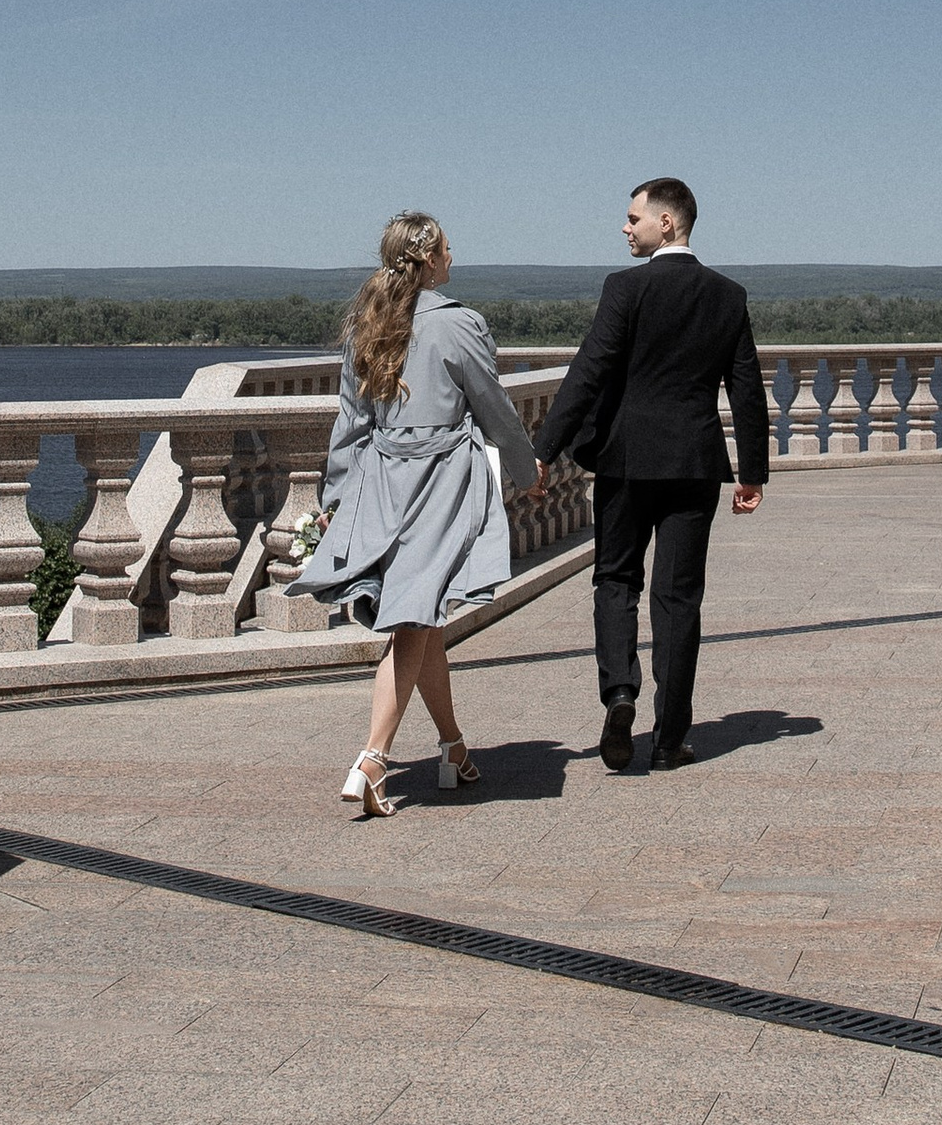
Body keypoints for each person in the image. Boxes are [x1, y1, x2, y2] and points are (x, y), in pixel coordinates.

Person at [290, 210, 544, 818]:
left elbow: (349, 425)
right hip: (439, 485)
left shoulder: (368, 324)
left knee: (420, 618)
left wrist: (335, 500)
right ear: (429, 261)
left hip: (381, 483)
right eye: (447, 251)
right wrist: (527, 472)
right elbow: (494, 408)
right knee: (412, 617)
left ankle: (453, 750)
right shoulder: (460, 326)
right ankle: (373, 759)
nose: (453, 259)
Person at [532, 176, 767, 774]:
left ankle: (619, 695)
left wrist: (542, 448)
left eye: (633, 217)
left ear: (667, 222)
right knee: (679, 597)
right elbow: (745, 391)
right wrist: (752, 472)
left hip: (626, 460)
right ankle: (669, 737)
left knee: (615, 580)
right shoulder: (727, 295)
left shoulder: (626, 288)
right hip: (693, 464)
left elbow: (589, 370)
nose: (624, 226)